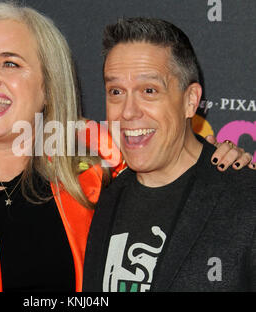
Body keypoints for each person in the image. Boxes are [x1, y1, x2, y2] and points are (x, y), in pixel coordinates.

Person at [0, 2, 251, 292]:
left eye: (10, 64)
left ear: (46, 87)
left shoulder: (88, 173)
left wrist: (222, 158)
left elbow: (170, 153)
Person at [83, 17, 256, 292]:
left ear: (190, 101)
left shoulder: (245, 199)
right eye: (116, 91)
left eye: (149, 91)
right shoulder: (102, 197)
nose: (127, 112)